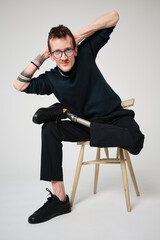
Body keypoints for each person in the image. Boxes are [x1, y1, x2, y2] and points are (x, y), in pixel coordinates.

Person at [13, 11, 145, 224]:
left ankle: (63, 111)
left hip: (114, 117)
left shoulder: (85, 53)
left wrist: (75, 39)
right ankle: (59, 199)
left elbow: (114, 16)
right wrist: (40, 56)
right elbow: (19, 85)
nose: (63, 57)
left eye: (67, 50)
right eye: (57, 52)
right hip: (86, 125)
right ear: (51, 55)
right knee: (49, 129)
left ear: (75, 49)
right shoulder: (51, 79)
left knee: (136, 141)